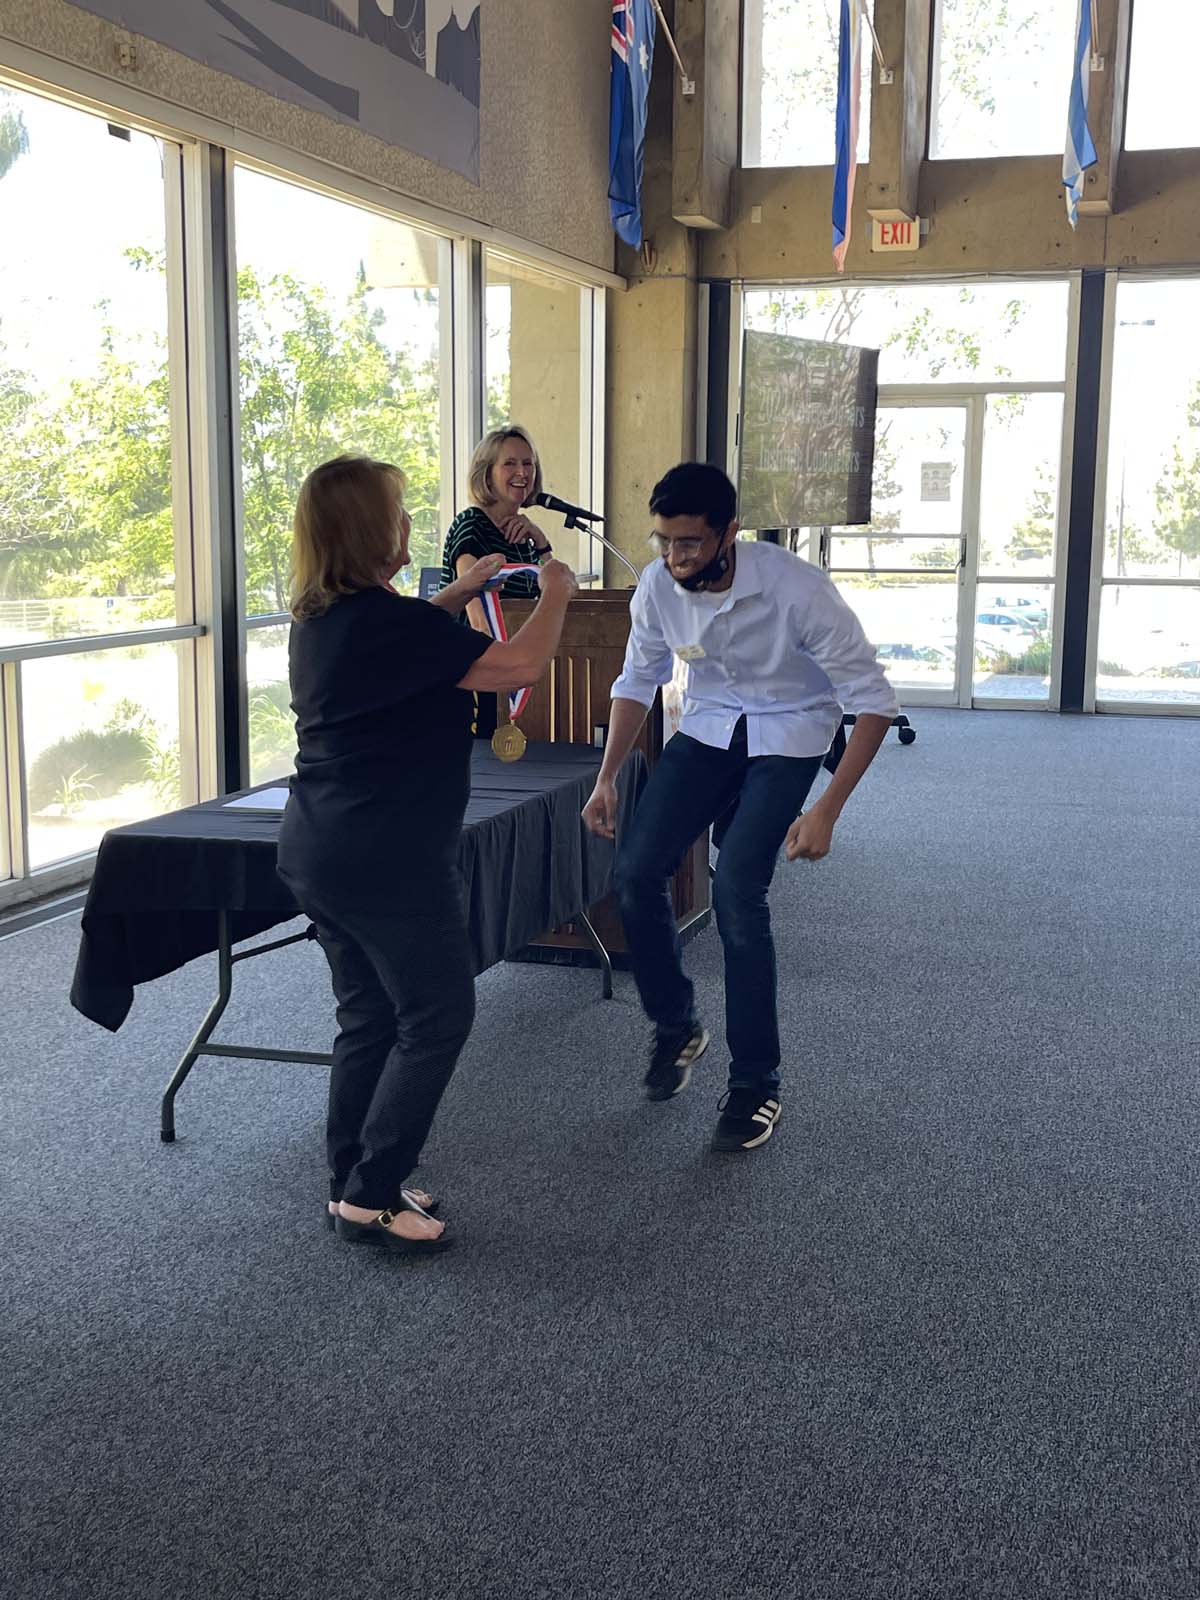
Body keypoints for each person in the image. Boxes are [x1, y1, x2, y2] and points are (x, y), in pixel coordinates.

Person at [277, 454, 576, 1252]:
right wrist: (556, 593)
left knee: (369, 1016)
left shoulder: (323, 616)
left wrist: (458, 593)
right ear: (372, 532)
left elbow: (406, 644)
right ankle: (373, 1194)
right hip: (390, 860)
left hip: (323, 850)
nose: (410, 525)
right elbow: (517, 664)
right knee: (439, 1015)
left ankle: (351, 1180)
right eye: (398, 513)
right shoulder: (389, 624)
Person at [582, 462, 898, 1154]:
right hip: (712, 727)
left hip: (791, 732)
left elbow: (874, 701)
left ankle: (757, 1084)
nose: (673, 558)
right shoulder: (659, 585)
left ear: (729, 533)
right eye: (663, 541)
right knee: (635, 874)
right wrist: (606, 779)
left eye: (689, 543)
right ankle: (676, 1027)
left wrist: (827, 811)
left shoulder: (796, 590)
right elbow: (639, 678)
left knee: (736, 894)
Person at [441, 426, 558, 738]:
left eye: (528, 463)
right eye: (510, 464)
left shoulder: (522, 534)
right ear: (486, 473)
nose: (522, 472)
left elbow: (556, 591)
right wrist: (510, 666)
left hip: (513, 669)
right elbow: (477, 613)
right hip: (478, 676)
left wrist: (541, 541)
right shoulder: (472, 524)